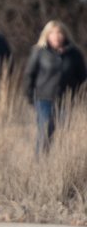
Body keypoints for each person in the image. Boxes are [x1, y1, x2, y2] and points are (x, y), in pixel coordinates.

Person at [21, 20, 86, 155]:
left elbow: (83, 77)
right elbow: (29, 75)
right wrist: (29, 96)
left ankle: (61, 164)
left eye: (59, 33)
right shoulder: (39, 52)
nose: (56, 36)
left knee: (63, 133)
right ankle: (41, 164)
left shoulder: (74, 54)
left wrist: (79, 97)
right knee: (45, 132)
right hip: (44, 99)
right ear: (47, 35)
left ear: (65, 35)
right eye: (52, 33)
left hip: (67, 100)